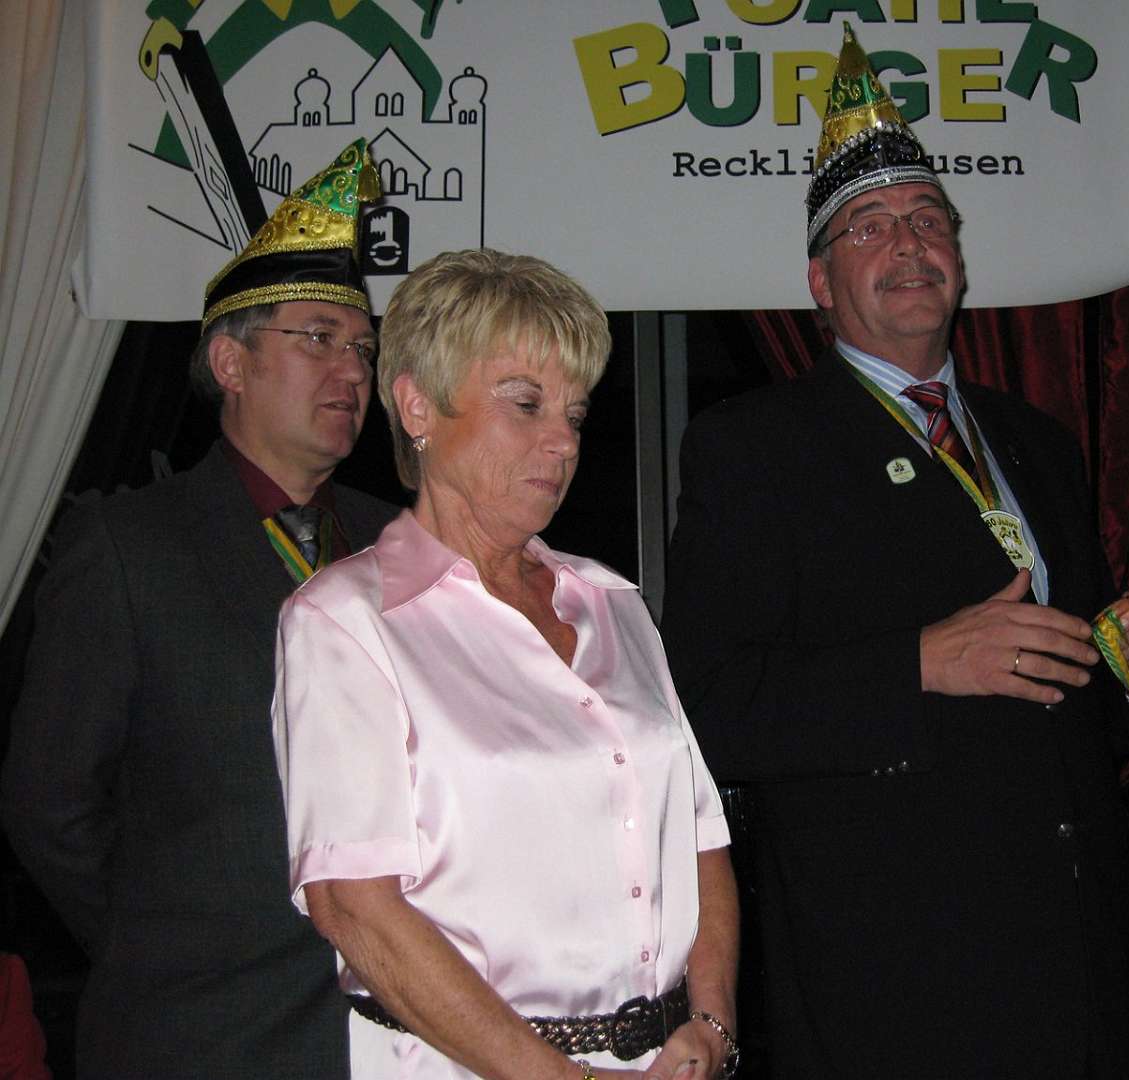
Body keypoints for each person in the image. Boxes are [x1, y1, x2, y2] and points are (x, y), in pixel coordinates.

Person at [660, 25, 1129, 1080]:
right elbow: (710, 708)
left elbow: (1079, 702)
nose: (907, 244)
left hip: (1083, 968)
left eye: (927, 220)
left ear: (959, 256)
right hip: (898, 985)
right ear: (821, 283)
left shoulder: (1038, 442)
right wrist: (920, 663)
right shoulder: (754, 447)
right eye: (868, 228)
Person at [270, 248, 740, 1080]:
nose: (562, 441)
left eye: (575, 413)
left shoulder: (613, 605)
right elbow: (356, 906)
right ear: (417, 403)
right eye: (525, 404)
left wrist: (712, 1024)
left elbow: (700, 840)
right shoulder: (345, 621)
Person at [1, 139, 395, 1079]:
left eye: (362, 348)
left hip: (387, 1033)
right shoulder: (128, 548)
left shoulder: (401, 546)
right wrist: (163, 939)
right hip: (197, 1036)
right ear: (230, 361)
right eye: (317, 338)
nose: (351, 371)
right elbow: (48, 804)